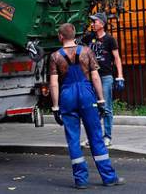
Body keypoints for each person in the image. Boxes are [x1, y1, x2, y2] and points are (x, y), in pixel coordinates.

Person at [49, 23, 125, 189]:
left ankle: (81, 180)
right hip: (86, 93)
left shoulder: (55, 57)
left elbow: (54, 84)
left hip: (67, 95)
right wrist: (101, 100)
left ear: (60, 37)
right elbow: (96, 77)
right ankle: (109, 177)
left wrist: (55, 107)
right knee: (96, 136)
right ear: (74, 35)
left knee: (73, 139)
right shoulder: (86, 51)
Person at [81, 12, 125, 146]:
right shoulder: (89, 38)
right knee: (92, 108)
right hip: (91, 77)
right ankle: (93, 137)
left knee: (105, 107)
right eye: (92, 22)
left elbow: (117, 58)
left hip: (105, 77)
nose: (93, 24)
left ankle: (107, 137)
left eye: (95, 22)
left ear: (102, 23)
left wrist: (120, 76)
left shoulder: (110, 40)